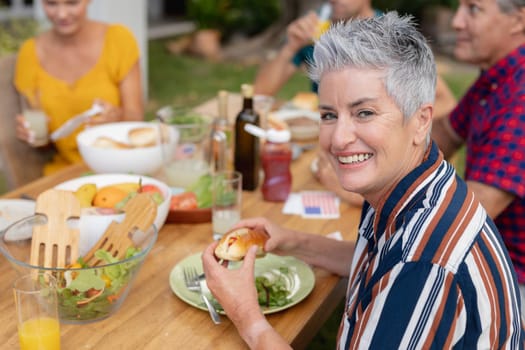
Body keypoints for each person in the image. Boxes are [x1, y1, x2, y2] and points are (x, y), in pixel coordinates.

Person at [202, 12, 524, 349]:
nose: (339, 139)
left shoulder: (421, 267)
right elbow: (376, 257)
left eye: (364, 113)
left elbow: (403, 265)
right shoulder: (410, 179)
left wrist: (248, 317)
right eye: (328, 114)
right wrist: (290, 241)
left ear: (420, 121)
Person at [254, 0, 456, 205]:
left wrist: (391, 119)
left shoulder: (388, 36)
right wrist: (292, 46)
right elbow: (259, 94)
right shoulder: (317, 29)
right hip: (326, 153)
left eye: (365, 111)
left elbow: (446, 101)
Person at [432, 0, 525, 311]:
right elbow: (443, 136)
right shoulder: (497, 77)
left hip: (513, 277)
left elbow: (466, 218)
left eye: (473, 9)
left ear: (518, 21)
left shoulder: (520, 96)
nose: (457, 22)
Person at [14, 0, 143, 174]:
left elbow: (137, 120)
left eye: (72, 3)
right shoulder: (30, 53)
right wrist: (32, 135)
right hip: (66, 173)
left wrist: (118, 117)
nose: (62, 14)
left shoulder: (118, 39)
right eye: (51, 4)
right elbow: (44, 145)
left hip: (120, 165)